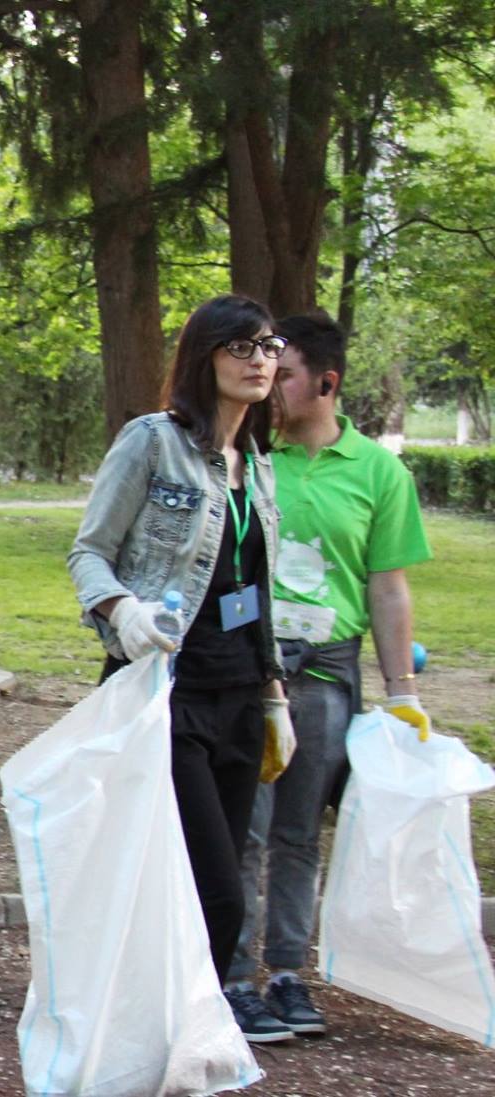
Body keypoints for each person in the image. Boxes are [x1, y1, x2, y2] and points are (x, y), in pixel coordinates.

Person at [67, 293, 295, 1044]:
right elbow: (89, 552)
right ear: (205, 356)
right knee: (216, 891)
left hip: (240, 697)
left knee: (210, 887)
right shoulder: (152, 442)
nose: (260, 360)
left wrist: (274, 697)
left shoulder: (257, 463)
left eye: (270, 346)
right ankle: (156, 1028)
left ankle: (178, 1030)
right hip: (165, 694)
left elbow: (255, 592)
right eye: (242, 346)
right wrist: (124, 611)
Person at [222, 311, 434, 1038]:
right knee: (243, 828)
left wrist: (403, 692)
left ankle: (287, 973)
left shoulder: (379, 472)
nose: (267, 385)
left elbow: (388, 587)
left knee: (299, 831)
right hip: (250, 667)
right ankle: (233, 979)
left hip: (325, 672)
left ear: (326, 382)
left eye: (283, 375)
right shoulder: (248, 457)